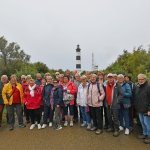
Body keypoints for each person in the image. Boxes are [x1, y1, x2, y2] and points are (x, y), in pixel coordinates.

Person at [134, 74, 150, 144]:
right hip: (139, 109)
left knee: (147, 123)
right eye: (139, 79)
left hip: (146, 109)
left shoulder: (148, 87)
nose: (140, 80)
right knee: (142, 123)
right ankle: (144, 133)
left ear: (145, 79)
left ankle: (149, 136)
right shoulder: (138, 87)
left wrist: (149, 110)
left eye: (142, 79)